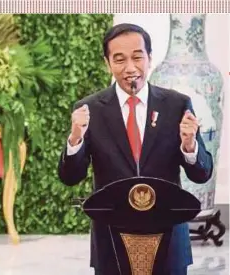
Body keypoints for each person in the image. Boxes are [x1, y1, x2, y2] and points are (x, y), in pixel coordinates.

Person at [57, 23, 213, 275]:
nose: (130, 68)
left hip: (169, 236)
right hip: (111, 239)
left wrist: (189, 145)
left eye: (137, 57)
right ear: (107, 63)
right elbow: (70, 177)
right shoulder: (90, 109)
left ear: (149, 58)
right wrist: (75, 139)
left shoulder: (176, 105)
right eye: (119, 59)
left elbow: (201, 174)